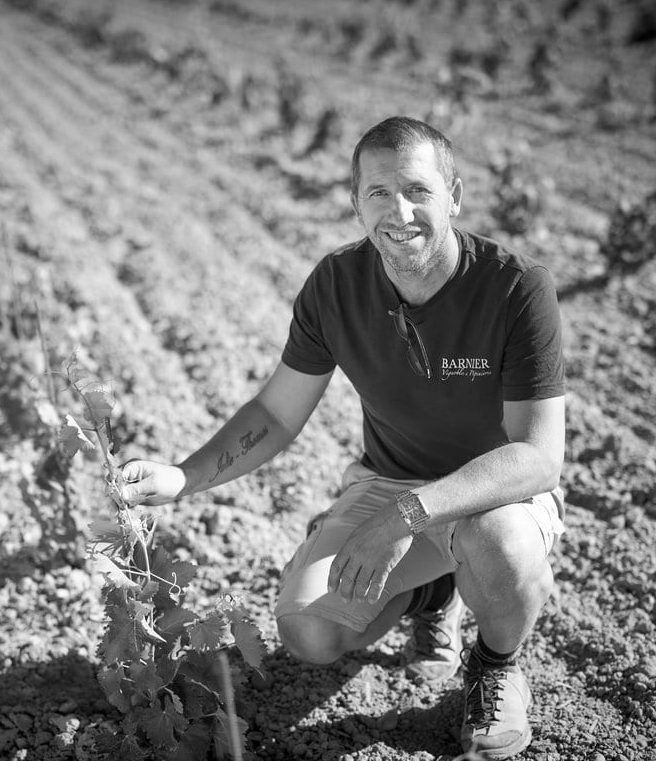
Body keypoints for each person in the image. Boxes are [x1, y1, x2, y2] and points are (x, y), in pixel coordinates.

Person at [118, 116, 566, 759]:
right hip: (389, 482)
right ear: (355, 202)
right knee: (308, 635)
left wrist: (401, 521)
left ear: (455, 197)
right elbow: (275, 414)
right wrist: (184, 477)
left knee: (497, 539)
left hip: (496, 498)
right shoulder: (336, 284)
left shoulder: (516, 287)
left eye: (418, 190)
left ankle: (494, 668)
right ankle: (437, 593)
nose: (400, 211)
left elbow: (536, 458)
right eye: (379, 193)